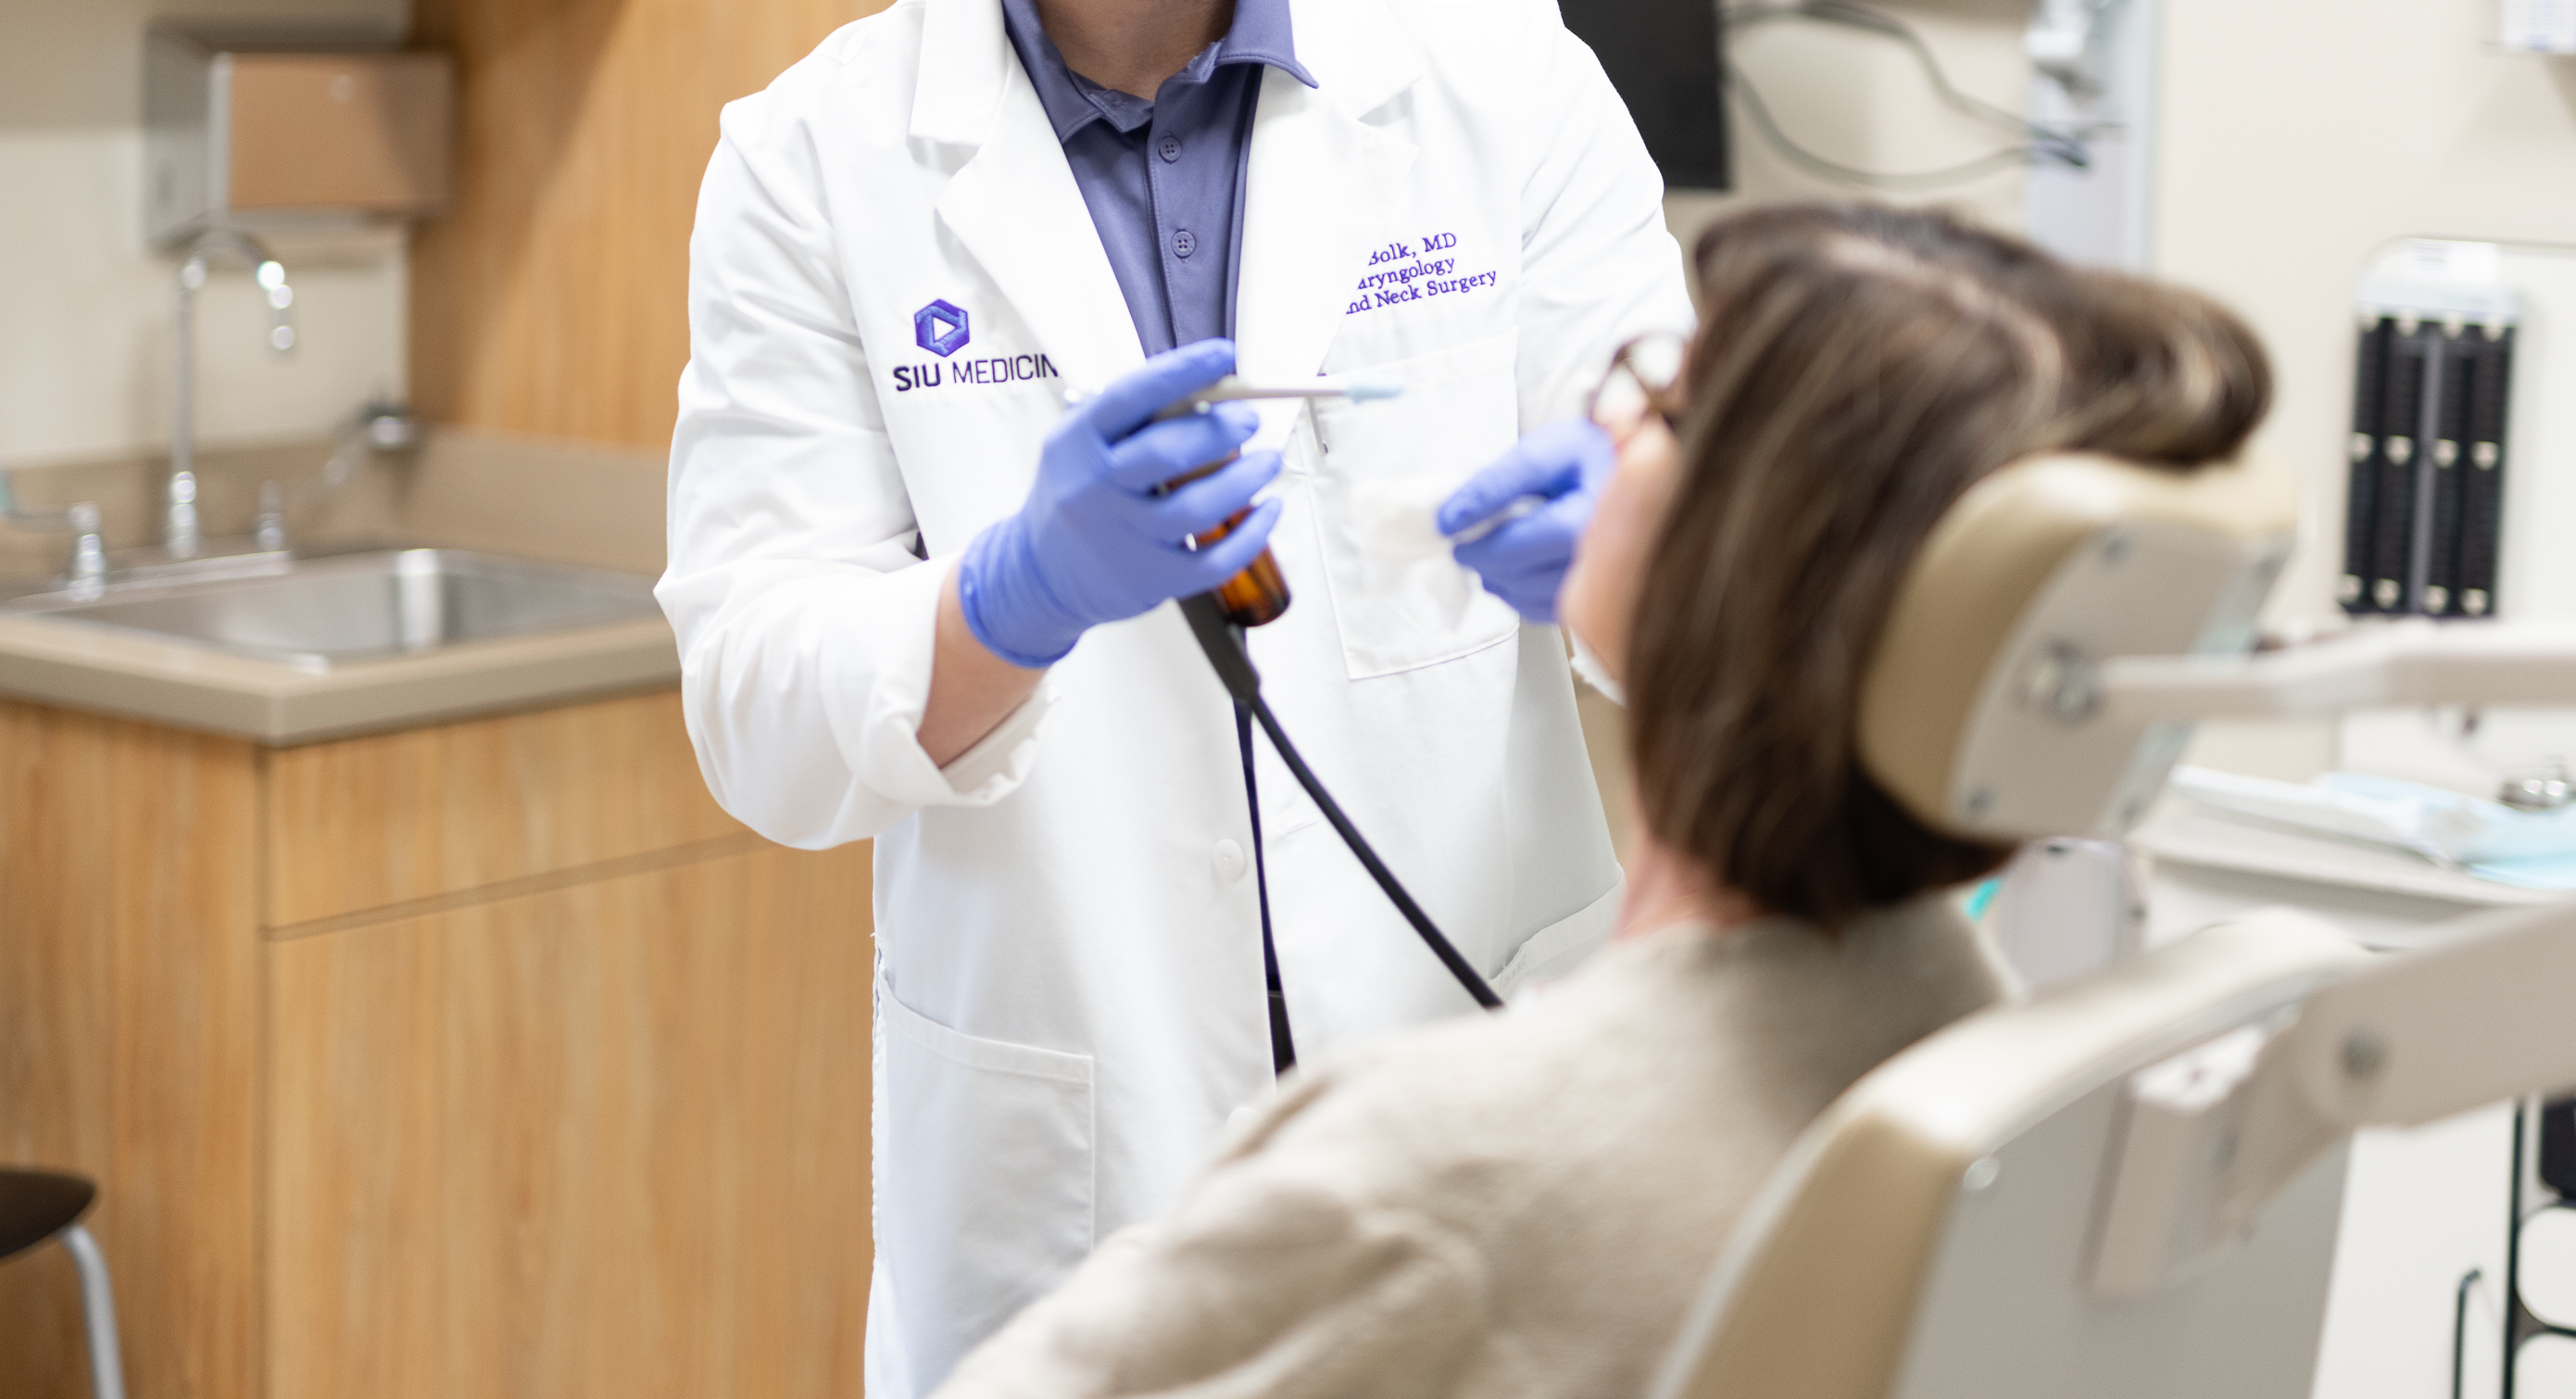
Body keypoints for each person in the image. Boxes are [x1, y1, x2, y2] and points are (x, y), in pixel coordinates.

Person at [659, 0, 1693, 1394]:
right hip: (1076, 1199)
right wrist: (1014, 592)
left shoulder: (1501, 80)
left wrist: (1642, 548)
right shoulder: (817, 164)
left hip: (1476, 1144)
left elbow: (1717, 578)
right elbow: (760, 721)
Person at [933, 202, 2276, 1399]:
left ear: (1743, 560)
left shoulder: (1443, 1178)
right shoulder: (1981, 1039)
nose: (1607, 423)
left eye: (1660, 398)